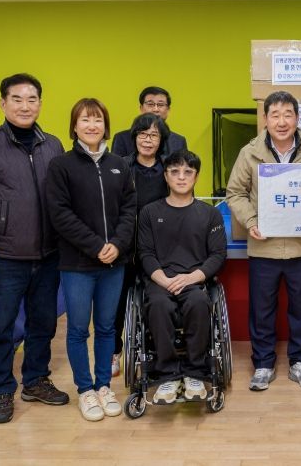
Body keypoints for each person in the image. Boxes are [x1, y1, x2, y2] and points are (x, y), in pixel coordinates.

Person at [0, 73, 69, 424]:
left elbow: (63, 198)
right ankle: (1, 388)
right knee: (0, 326)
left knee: (43, 324)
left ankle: (35, 380)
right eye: (17, 99)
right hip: (3, 257)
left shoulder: (53, 145)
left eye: (32, 99)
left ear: (40, 103)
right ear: (3, 103)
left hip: (48, 256)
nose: (25, 106)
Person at [45, 98, 137, 421]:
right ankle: (85, 390)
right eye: (85, 119)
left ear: (105, 126)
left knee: (107, 328)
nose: (92, 125)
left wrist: (118, 245)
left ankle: (103, 386)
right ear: (74, 126)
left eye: (97, 120)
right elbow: (60, 214)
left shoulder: (120, 165)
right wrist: (97, 245)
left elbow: (129, 210)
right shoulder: (61, 166)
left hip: (114, 263)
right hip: (78, 265)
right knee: (78, 329)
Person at [226, 91, 301, 391]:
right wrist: (252, 221)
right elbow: (235, 193)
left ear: (297, 118)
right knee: (262, 310)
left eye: (288, 115)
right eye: (275, 115)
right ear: (265, 119)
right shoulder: (249, 153)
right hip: (263, 247)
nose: (282, 122)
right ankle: (263, 364)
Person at [137, 149, 227, 404]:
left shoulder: (210, 214)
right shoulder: (149, 212)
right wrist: (165, 281)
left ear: (196, 177)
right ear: (165, 176)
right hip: (159, 281)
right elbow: (145, 253)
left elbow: (218, 255)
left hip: (195, 281)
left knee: (199, 303)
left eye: (188, 172)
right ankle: (168, 376)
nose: (181, 177)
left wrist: (190, 278)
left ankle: (194, 373)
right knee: (158, 305)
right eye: (175, 171)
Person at [111, 113, 170, 377]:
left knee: (155, 302)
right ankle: (114, 352)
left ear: (161, 140)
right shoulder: (120, 166)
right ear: (134, 137)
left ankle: (152, 350)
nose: (147, 140)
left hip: (158, 250)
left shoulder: (169, 169)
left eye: (154, 135)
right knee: (116, 304)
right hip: (123, 248)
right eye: (143, 134)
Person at [111, 86, 187, 157]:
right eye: (150, 104)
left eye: (160, 105)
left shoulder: (179, 141)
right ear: (141, 108)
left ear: (168, 110)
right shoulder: (122, 138)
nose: (155, 109)